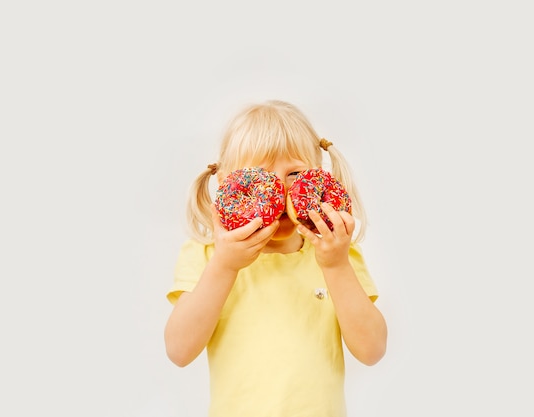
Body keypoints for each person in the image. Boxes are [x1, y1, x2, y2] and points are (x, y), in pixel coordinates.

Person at [164, 99, 388, 417]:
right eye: (258, 177)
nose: (278, 192)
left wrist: (336, 265)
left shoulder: (337, 253)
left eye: (295, 173)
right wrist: (225, 265)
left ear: (318, 177)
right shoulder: (207, 255)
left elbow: (372, 350)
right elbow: (178, 350)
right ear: (226, 185)